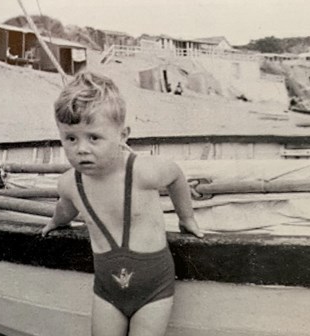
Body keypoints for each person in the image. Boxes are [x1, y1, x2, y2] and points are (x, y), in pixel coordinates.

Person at [41, 71, 203, 336]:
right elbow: (65, 210)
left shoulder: (141, 171)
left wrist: (187, 218)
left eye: (94, 137)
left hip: (154, 289)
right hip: (107, 289)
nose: (81, 148)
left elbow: (175, 176)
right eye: (71, 138)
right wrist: (55, 222)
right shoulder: (69, 183)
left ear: (122, 135)